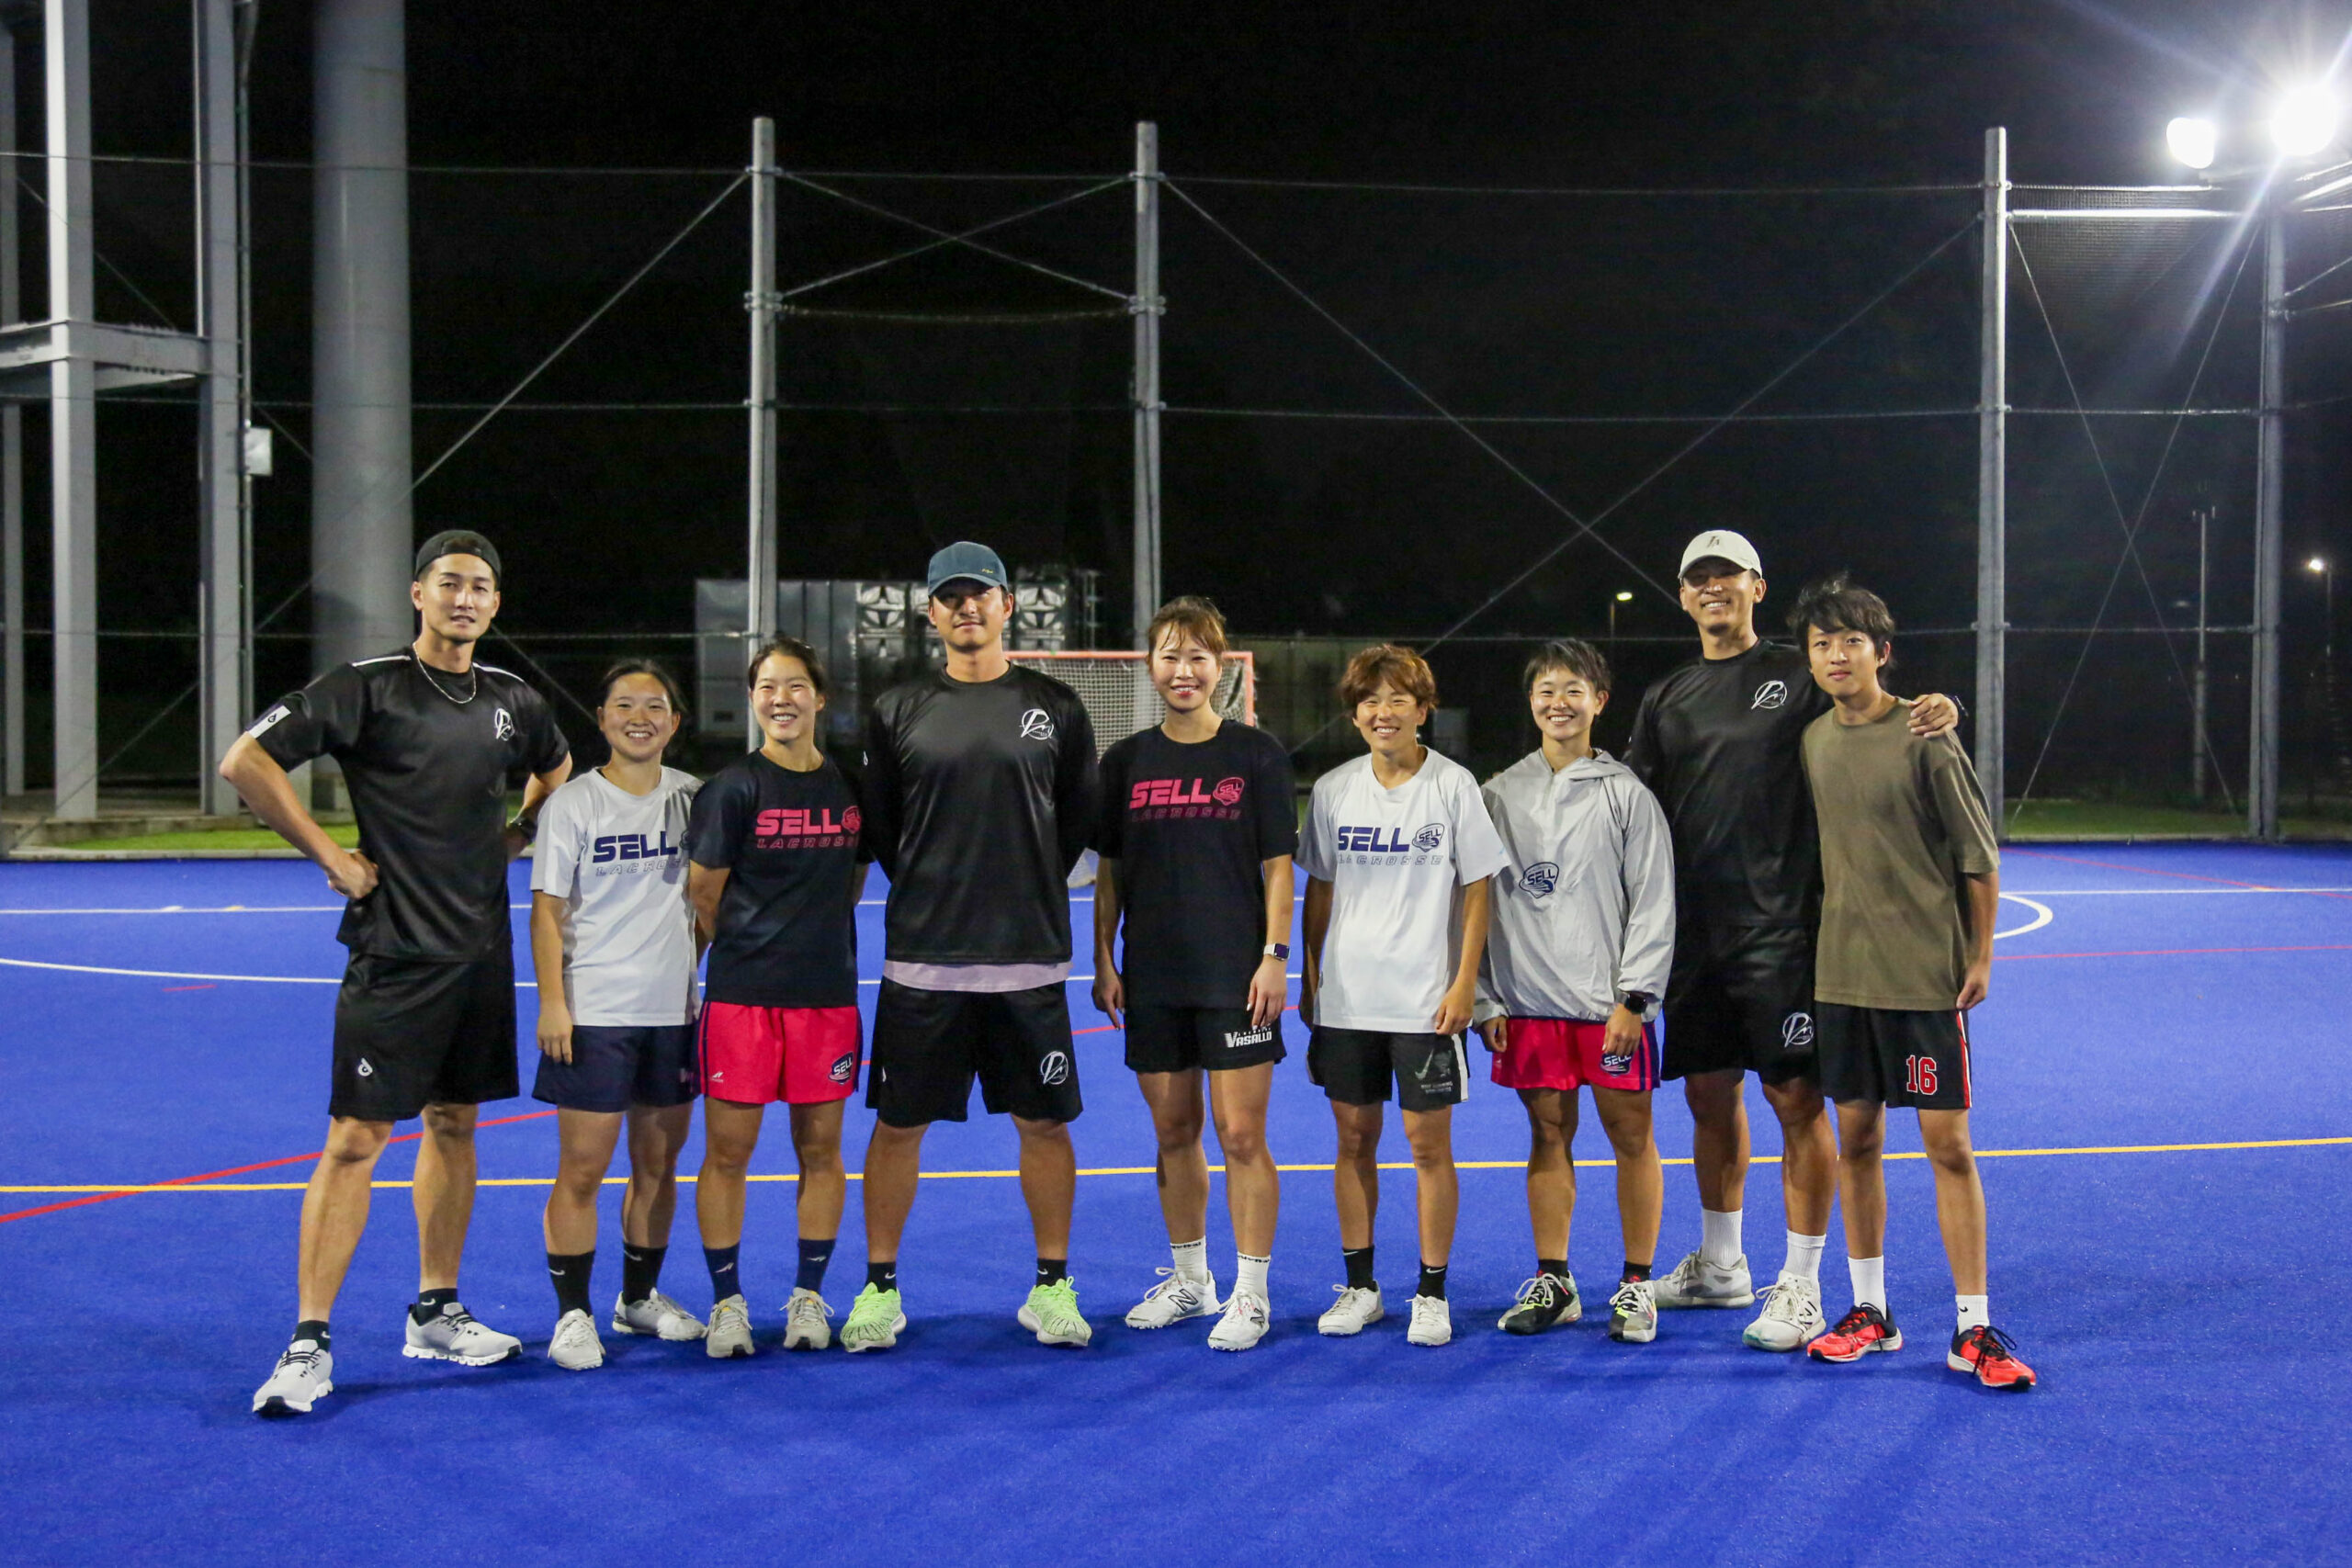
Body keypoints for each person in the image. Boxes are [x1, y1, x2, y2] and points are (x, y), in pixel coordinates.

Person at [227, 530, 571, 1417]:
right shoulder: (367, 685)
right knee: (355, 1139)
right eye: (450, 583)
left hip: (481, 952)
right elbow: (245, 760)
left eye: (481, 587)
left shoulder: (512, 698)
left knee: (456, 1124)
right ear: (419, 593)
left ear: (496, 603)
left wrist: (518, 833)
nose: (465, 599)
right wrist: (329, 855)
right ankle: (309, 1342)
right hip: (395, 952)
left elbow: (557, 767)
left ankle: (436, 1309)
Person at [1623, 528, 1958, 1353]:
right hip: (1694, 934)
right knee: (1708, 1096)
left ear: (1756, 587)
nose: (1713, 588)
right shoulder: (1666, 696)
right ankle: (1722, 1263)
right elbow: (1633, 806)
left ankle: (1802, 1283)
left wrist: (1936, 705)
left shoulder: (1798, 671)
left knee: (1795, 1102)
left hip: (1784, 929)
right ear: (1683, 595)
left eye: (1728, 576)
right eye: (1699, 578)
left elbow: (1868, 703)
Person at [842, 541, 1100, 1352]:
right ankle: (880, 1288)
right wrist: (938, 887)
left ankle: (1052, 1286)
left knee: (1044, 1125)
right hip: (925, 958)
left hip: (1028, 958)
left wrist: (1021, 887)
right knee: (897, 1126)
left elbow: (1075, 822)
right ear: (932, 613)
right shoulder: (897, 709)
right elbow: (884, 829)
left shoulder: (1057, 707)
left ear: (1006, 606)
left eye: (980, 594)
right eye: (950, 597)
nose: (966, 608)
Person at [1791, 575, 2034, 1389]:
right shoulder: (1813, 739)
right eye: (1822, 643)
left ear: (1881, 652)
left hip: (1924, 978)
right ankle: (1870, 1310)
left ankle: (1974, 1325)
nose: (1836, 654)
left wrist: (1980, 956)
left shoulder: (1926, 733)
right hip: (1841, 976)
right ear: (1810, 659)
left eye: (1851, 641)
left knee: (1948, 1147)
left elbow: (1978, 856)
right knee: (1856, 1142)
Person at [1093, 596, 1297, 1352]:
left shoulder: (1256, 754)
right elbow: (1110, 871)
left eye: (1198, 656)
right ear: (1151, 666)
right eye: (1171, 655)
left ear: (1221, 666)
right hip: (1153, 974)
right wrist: (1103, 957)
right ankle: (1191, 1281)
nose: (1184, 670)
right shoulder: (1125, 763)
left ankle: (1251, 1292)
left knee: (1241, 1134)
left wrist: (1275, 956)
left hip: (1235, 976)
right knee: (1174, 1130)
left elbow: (1279, 867)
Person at [1299, 644, 1509, 1348]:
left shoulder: (1453, 785)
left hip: (1426, 1002)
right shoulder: (1333, 790)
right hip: (1348, 1001)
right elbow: (1319, 889)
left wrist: (1465, 983)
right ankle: (1361, 1287)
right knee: (1353, 1140)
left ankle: (1431, 1290)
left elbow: (1477, 888)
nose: (1382, 711)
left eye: (1397, 699)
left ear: (1423, 710)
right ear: (1355, 713)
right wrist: (1310, 976)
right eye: (1369, 700)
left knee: (1428, 1147)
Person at [1475, 640, 1675, 1346]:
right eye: (1546, 690)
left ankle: (1636, 1283)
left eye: (1573, 689)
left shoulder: (1627, 794)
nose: (1559, 702)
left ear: (1600, 700)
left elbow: (1653, 900)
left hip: (1608, 1008)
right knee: (1547, 1133)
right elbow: (1476, 904)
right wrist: (1485, 997)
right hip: (1528, 1006)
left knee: (1631, 1136)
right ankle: (1555, 1280)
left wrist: (1635, 998)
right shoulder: (1497, 794)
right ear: (1530, 701)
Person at [684, 637, 870, 1358]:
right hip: (744, 1001)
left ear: (820, 698)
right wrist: (758, 949)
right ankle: (727, 1302)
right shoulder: (733, 788)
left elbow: (852, 879)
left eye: (795, 685)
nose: (780, 698)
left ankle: (808, 1297)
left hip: (826, 997)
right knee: (728, 1151)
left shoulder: (850, 786)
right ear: (753, 698)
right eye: (766, 686)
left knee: (821, 1150)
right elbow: (705, 894)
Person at [527, 660, 707, 1371]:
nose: (640, 717)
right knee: (582, 1168)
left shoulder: (695, 798)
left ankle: (638, 1298)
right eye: (624, 705)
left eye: (655, 705)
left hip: (674, 1012)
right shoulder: (572, 803)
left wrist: (689, 963)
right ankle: (572, 1314)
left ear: (675, 721)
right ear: (601, 719)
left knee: (658, 1163)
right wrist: (553, 1001)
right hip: (593, 1010)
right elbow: (547, 912)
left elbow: (709, 899)